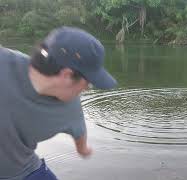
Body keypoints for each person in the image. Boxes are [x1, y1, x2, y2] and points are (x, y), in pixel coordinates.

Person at [0, 27, 117, 180]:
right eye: (88, 83)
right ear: (67, 75)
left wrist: (84, 150)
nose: (87, 89)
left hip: (26, 172)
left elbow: (81, 138)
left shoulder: (71, 108)